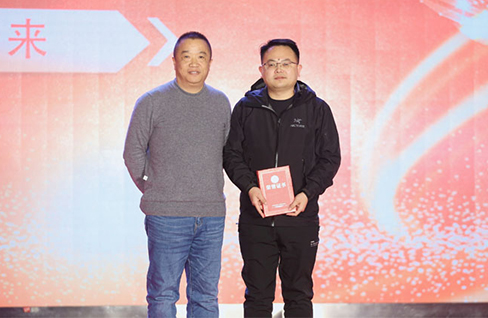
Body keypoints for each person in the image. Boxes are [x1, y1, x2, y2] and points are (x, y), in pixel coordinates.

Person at [223, 38, 341, 317]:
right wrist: (250, 188)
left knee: (299, 295)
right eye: (272, 63)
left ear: (299, 68)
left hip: (300, 218)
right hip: (256, 219)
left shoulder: (317, 109)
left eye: (286, 63)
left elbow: (330, 159)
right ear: (261, 70)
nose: (279, 69)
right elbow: (232, 155)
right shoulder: (246, 108)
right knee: (257, 297)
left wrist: (307, 193)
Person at [123, 31, 231, 318]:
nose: (194, 63)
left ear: (210, 62)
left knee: (206, 296)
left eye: (201, 56)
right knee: (163, 294)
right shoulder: (152, 101)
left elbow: (229, 153)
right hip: (166, 216)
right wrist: (153, 188)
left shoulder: (220, 102)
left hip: (210, 215)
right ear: (174, 61)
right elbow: (133, 151)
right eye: (186, 56)